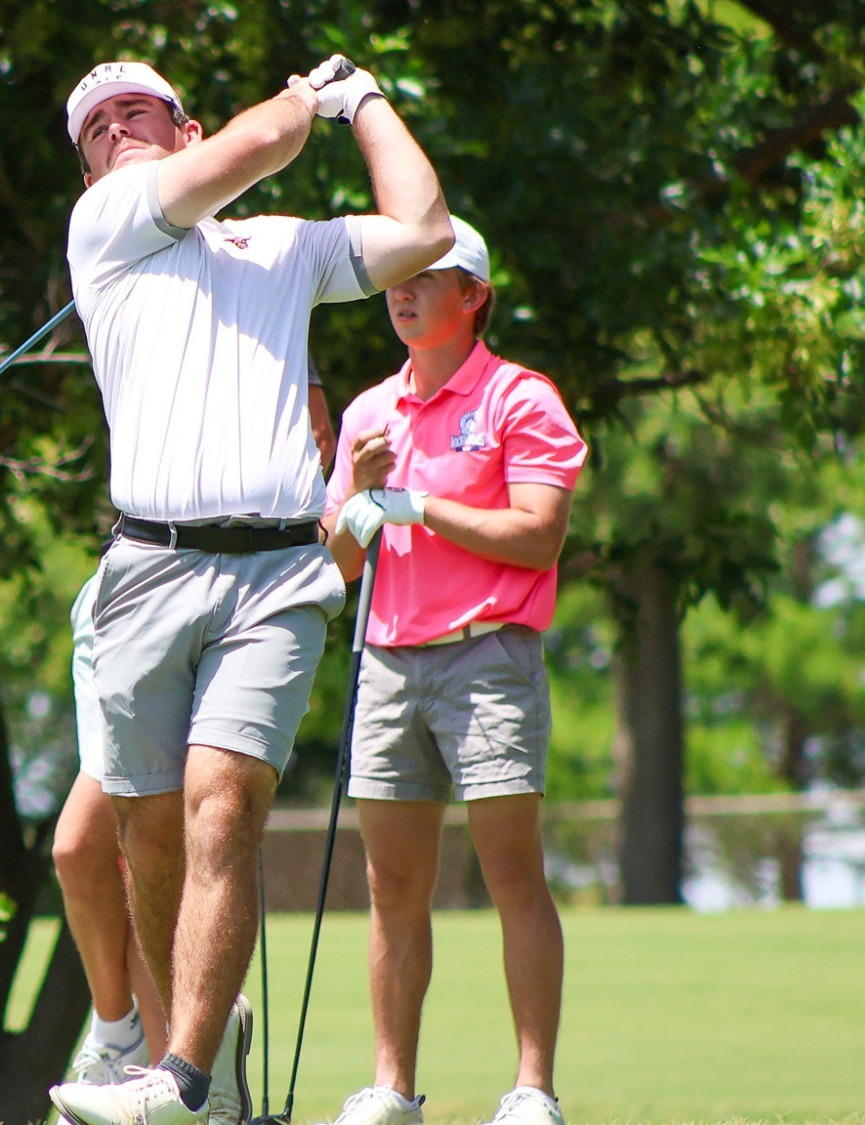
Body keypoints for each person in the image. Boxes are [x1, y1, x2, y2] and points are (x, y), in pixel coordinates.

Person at [48, 56, 453, 1125]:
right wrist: (301, 100)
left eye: (136, 113)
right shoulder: (107, 224)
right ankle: (204, 1054)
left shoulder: (278, 244)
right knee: (147, 833)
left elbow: (420, 230)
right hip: (147, 568)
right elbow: (259, 143)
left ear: (182, 130)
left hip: (276, 573)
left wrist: (361, 98)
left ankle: (177, 1080)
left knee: (220, 808)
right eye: (94, 129)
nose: (115, 134)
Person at [319, 217, 587, 1125]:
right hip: (387, 660)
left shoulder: (521, 398)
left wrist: (421, 504)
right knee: (391, 885)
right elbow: (337, 567)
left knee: (512, 869)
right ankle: (393, 1088)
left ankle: (531, 1089)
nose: (404, 290)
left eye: (428, 277)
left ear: (473, 296)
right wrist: (358, 496)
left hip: (487, 655)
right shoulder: (367, 413)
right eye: (397, 277)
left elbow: (538, 533)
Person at [54, 376, 335, 1100]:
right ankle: (123, 1038)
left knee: (179, 836)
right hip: (135, 599)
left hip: (245, 611)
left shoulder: (300, 476)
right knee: (86, 846)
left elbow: (327, 545)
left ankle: (179, 1072)